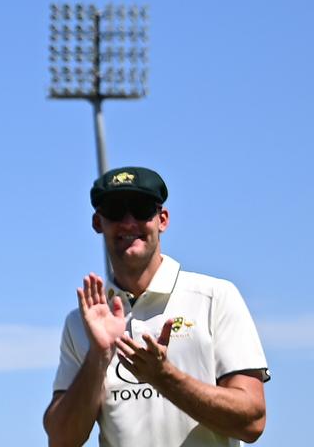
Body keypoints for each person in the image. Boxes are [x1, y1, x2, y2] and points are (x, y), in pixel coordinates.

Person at [43, 167, 270, 447]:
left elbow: (252, 422)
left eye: (141, 209)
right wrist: (97, 356)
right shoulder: (82, 322)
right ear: (97, 222)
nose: (128, 223)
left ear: (162, 220)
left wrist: (164, 377)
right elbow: (61, 439)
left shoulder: (215, 297)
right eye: (114, 210)